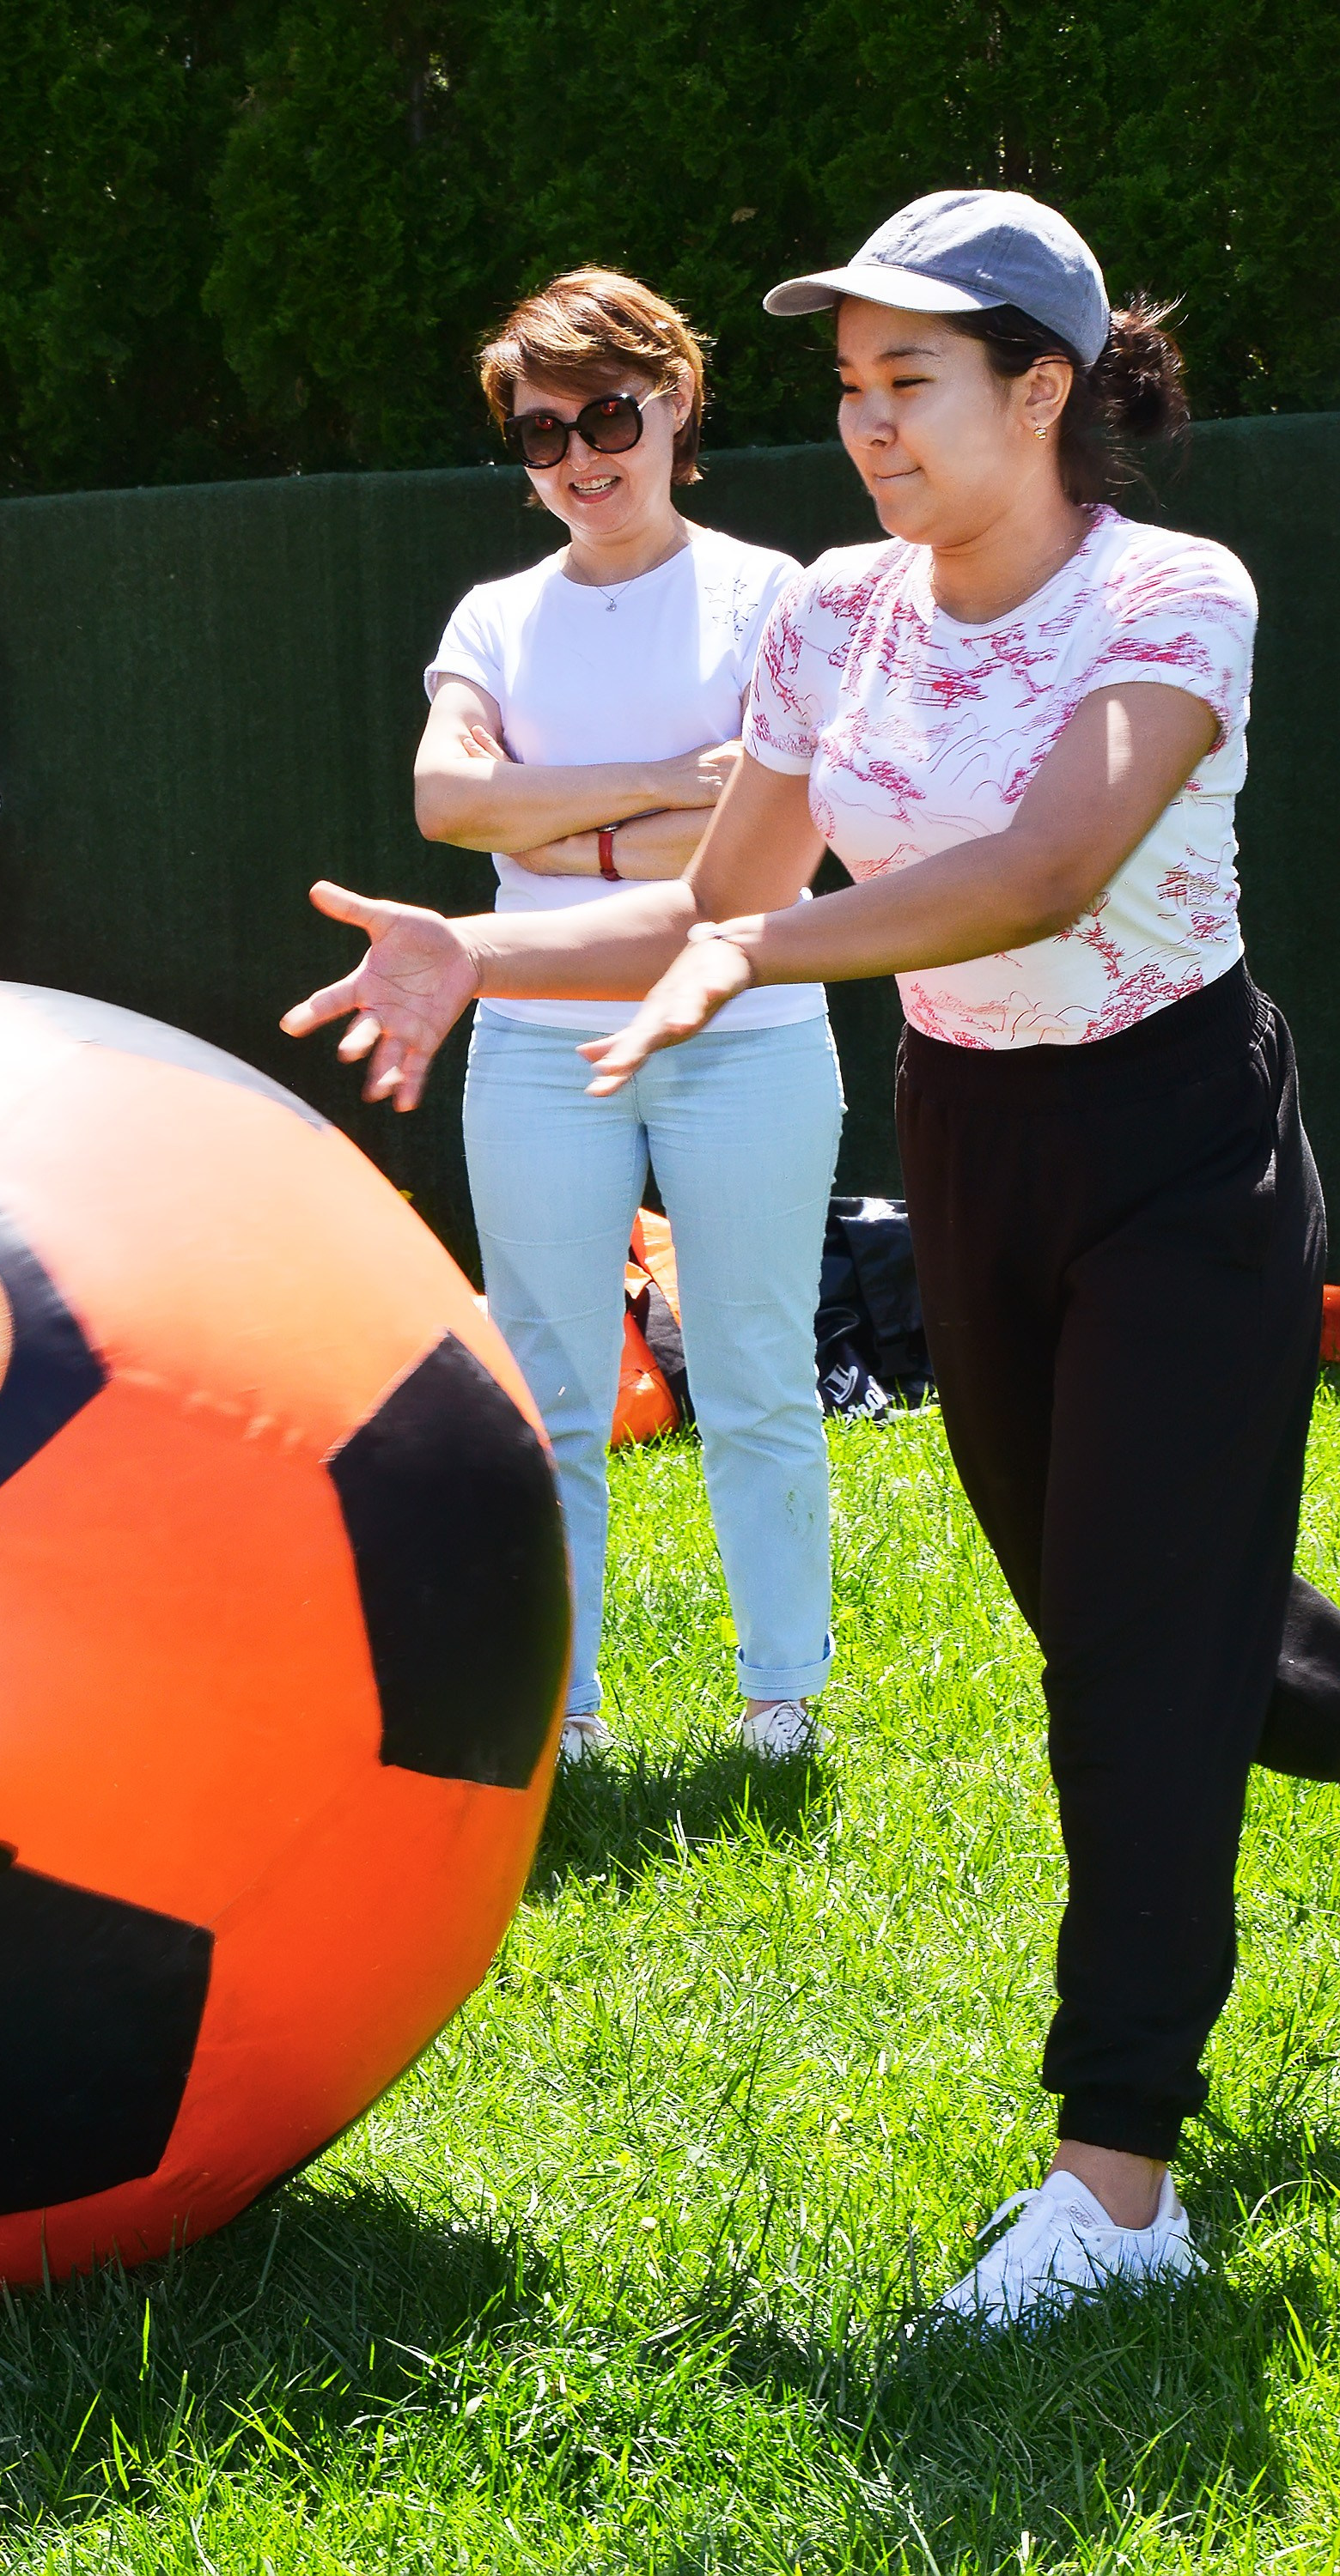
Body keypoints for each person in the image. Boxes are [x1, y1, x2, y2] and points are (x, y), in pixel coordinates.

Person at [284, 188, 1340, 2328]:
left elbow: (1042, 871)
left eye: (910, 378)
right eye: (846, 382)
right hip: (971, 1142)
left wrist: (761, 943)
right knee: (1161, 1625)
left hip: (1172, 1144)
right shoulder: (831, 612)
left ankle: (1114, 2186)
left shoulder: (1165, 589)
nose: (863, 424)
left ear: (1037, 389)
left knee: (1124, 1677)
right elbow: (716, 892)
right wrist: (471, 949)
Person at [415, 270, 841, 1765]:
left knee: (753, 1368)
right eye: (542, 435)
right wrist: (672, 785)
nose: (583, 456)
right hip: (536, 1042)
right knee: (546, 1388)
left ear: (677, 406)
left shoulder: (772, 592)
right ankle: (565, 1709)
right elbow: (446, 799)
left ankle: (784, 1694)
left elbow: (780, 841)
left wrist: (552, 829)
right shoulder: (495, 613)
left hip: (749, 1037)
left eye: (609, 415)